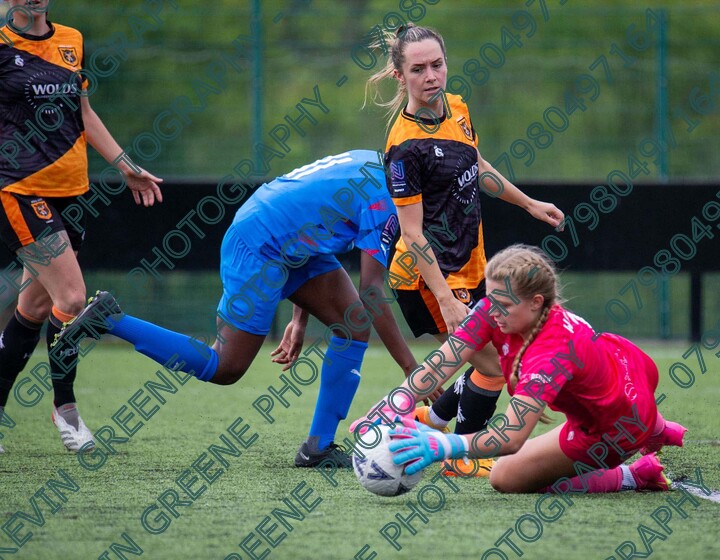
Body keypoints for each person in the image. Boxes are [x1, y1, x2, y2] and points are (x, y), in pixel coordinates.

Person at [53, 150, 420, 467]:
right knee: (224, 367)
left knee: (352, 326)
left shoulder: (377, 163)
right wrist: (412, 370)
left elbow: (315, 220)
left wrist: (299, 316)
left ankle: (318, 448)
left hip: (285, 236)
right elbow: (371, 291)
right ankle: (110, 318)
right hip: (259, 242)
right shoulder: (384, 199)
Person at [365, 23, 565, 477]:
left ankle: (427, 421)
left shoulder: (457, 107)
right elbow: (412, 235)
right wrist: (446, 301)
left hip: (471, 268)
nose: (432, 76)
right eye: (418, 69)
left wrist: (529, 203)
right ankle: (459, 456)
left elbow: (476, 165)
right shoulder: (405, 147)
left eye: (438, 65)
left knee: (491, 364)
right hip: (426, 280)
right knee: (494, 366)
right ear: (400, 76)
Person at [355, 244, 687, 494]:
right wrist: (394, 403)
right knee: (615, 401)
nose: (493, 311)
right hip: (628, 368)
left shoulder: (551, 354)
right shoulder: (498, 308)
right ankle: (657, 428)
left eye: (505, 305)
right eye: (491, 299)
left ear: (537, 302)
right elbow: (445, 359)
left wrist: (443, 446)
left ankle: (637, 473)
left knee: (505, 478)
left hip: (614, 427)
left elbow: (511, 437)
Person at [0, 0, 163, 453]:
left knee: (34, 309)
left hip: (72, 192)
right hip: (19, 189)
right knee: (72, 297)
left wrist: (125, 165)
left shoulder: (72, 40)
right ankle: (66, 409)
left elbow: (83, 114)